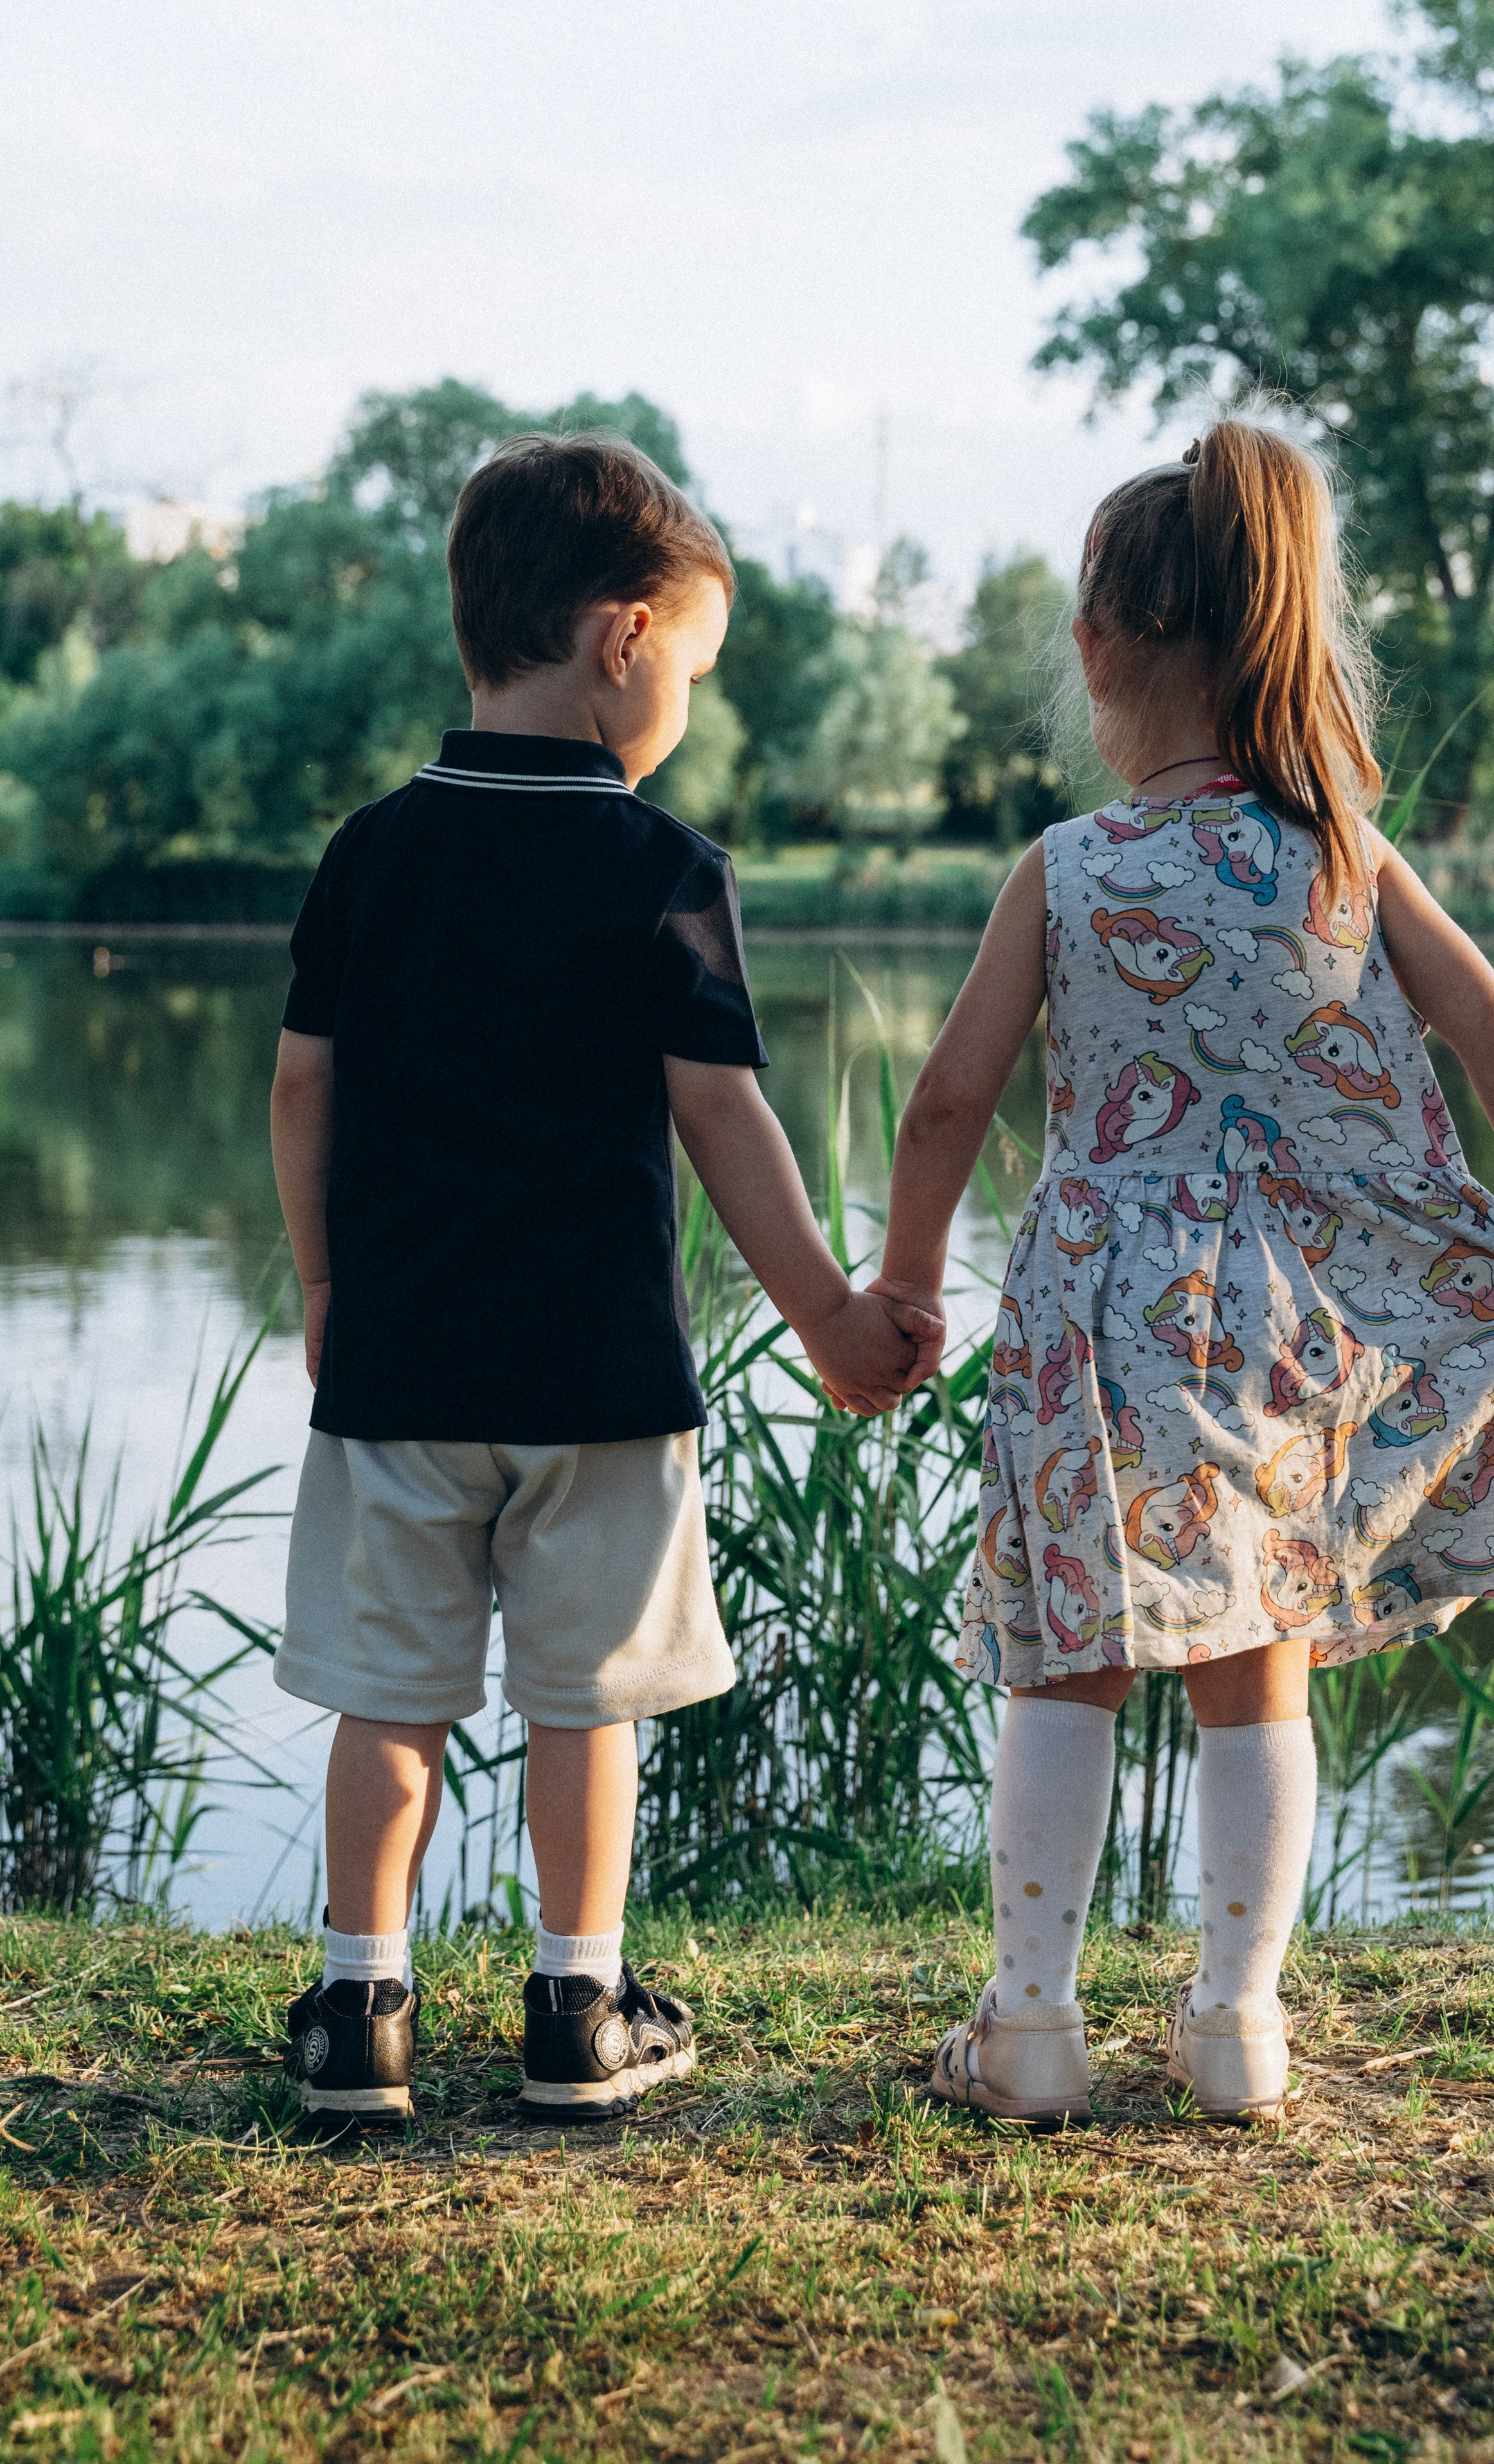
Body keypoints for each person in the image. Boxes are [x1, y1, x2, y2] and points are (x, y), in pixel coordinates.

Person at [871, 414, 1494, 2123]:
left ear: (1104, 645)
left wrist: (908, 1291)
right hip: (1280, 1325)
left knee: (1070, 1651)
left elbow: (943, 1104)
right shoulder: (1343, 849)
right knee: (1257, 1648)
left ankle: (1033, 2027)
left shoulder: (1065, 869)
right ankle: (1236, 2028)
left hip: (1088, 1320)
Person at [269, 431, 938, 2127]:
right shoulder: (665, 873)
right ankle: (580, 2000)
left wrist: (325, 1281)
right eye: (696, 670)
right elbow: (725, 1116)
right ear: (622, 639)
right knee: (587, 1703)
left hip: (404, 1363)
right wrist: (834, 1320)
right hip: (602, 1383)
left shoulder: (371, 853)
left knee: (389, 1695)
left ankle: (361, 2009)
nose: (688, 711)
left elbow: (301, 1085)